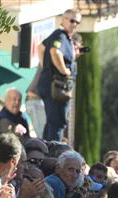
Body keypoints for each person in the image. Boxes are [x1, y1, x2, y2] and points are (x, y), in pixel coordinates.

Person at [37, 9, 81, 141]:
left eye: (77, 22)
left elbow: (41, 47)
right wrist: (63, 71)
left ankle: (46, 151)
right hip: (56, 87)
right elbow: (55, 52)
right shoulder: (60, 36)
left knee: (52, 123)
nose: (74, 24)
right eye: (72, 20)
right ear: (63, 20)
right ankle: (54, 155)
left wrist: (46, 66)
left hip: (55, 86)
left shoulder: (64, 37)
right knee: (58, 124)